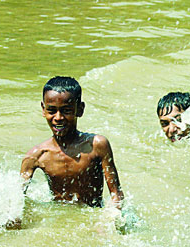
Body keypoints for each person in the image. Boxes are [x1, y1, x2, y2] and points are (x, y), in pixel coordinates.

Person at [20, 76, 124, 211]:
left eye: (66, 111)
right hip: (58, 220)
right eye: (51, 110)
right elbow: (17, 199)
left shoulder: (96, 146)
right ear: (43, 109)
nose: (58, 118)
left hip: (93, 215)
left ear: (80, 109)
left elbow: (116, 194)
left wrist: (109, 221)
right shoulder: (36, 156)